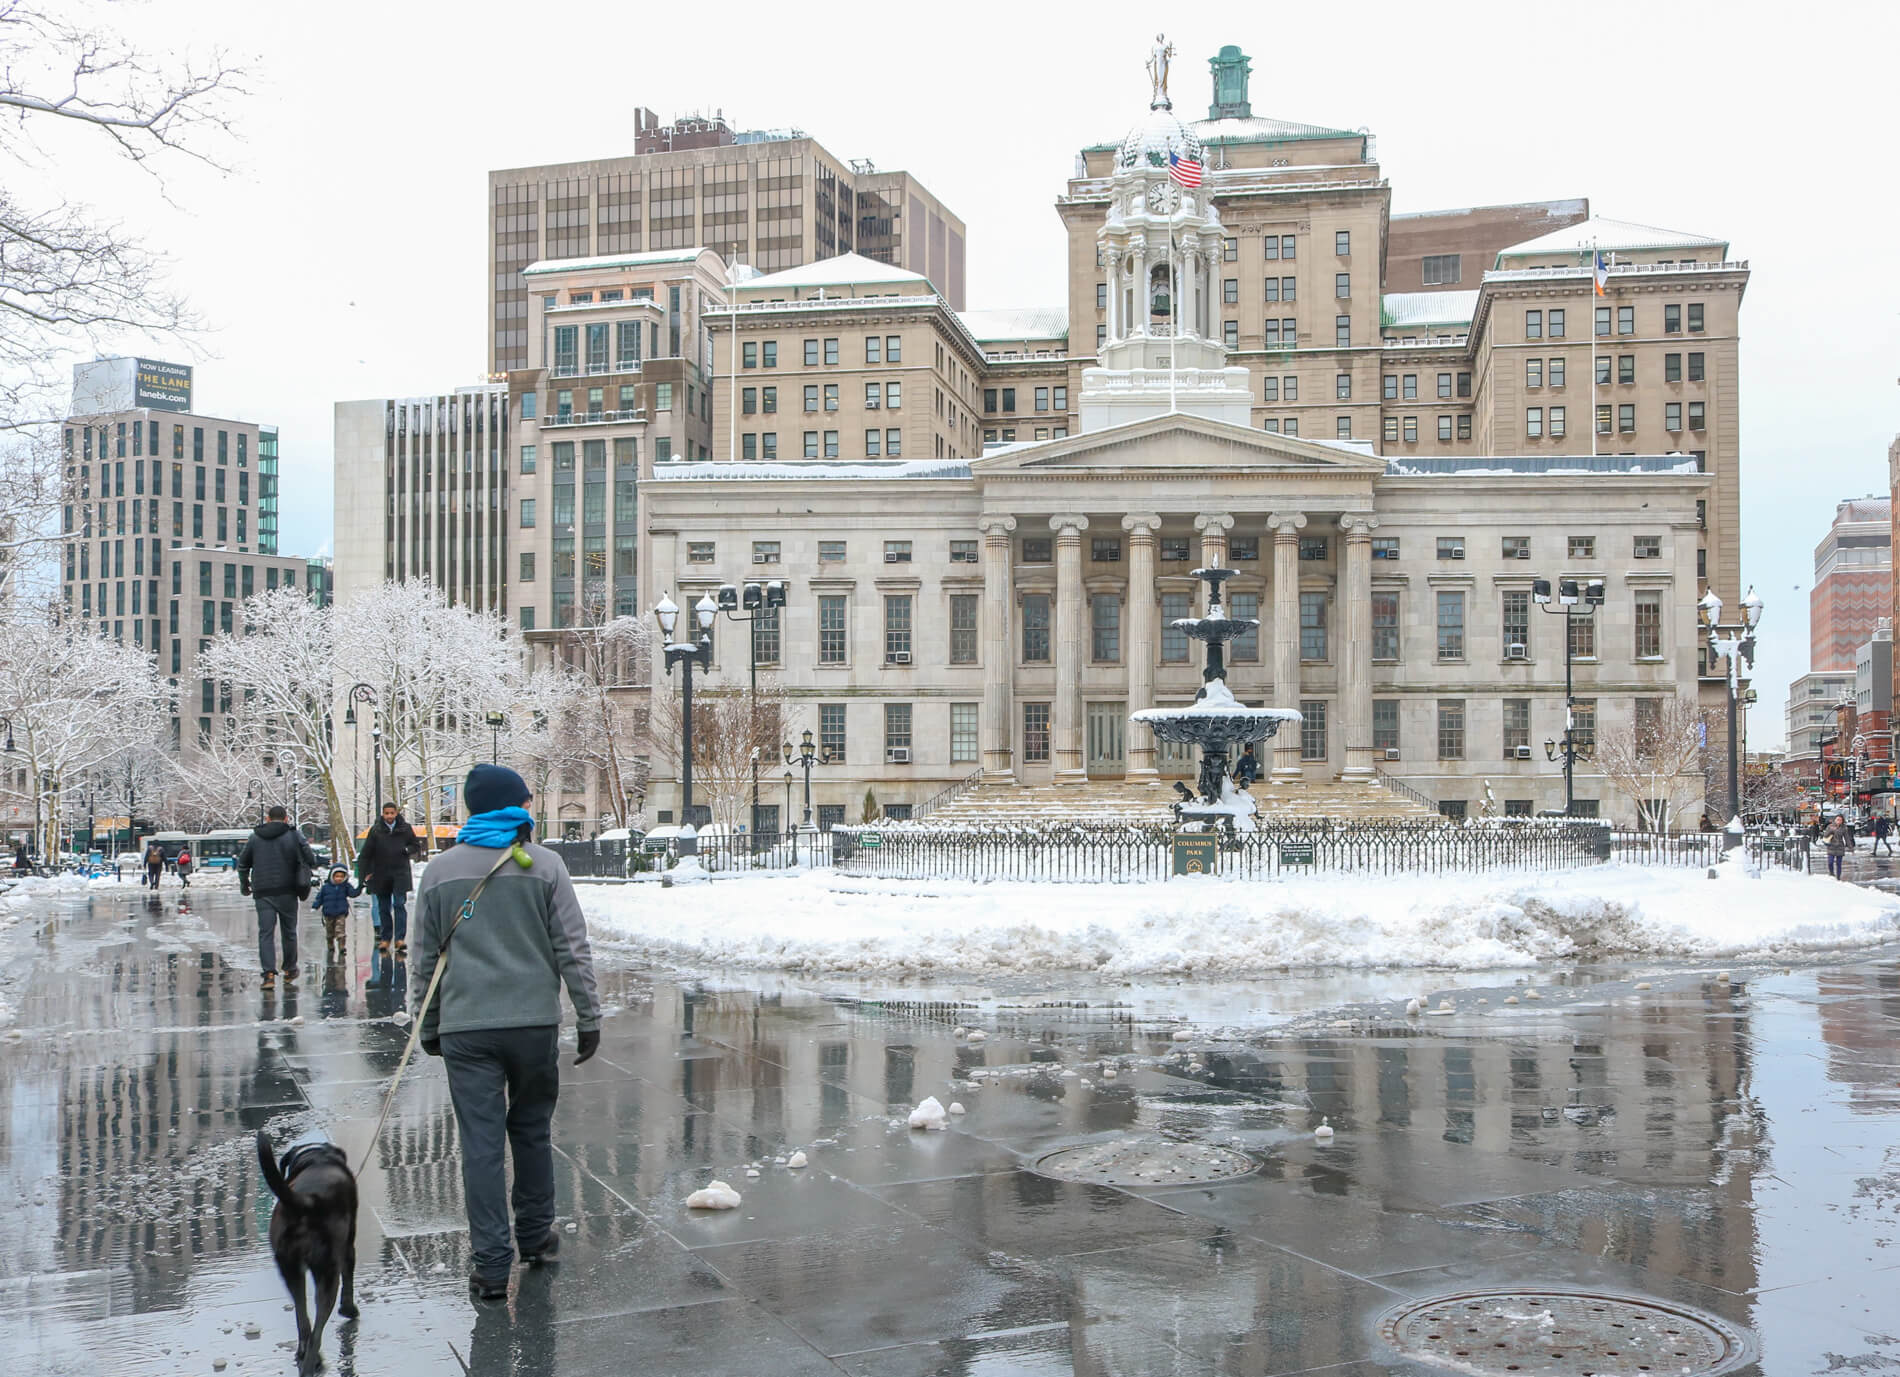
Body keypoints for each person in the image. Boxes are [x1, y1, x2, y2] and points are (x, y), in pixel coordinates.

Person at [413, 764, 599, 1301]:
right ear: (515, 805)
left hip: (466, 1030)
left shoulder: (440, 871)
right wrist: (589, 1016)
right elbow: (572, 947)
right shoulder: (546, 865)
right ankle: (537, 1238)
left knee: (481, 1146)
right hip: (534, 1025)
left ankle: (492, 1266)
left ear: (473, 808)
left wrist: (429, 1025)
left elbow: (425, 959)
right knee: (533, 1132)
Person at [239, 805, 319, 990]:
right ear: (286, 819)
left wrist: (245, 885)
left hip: (263, 891)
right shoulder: (294, 835)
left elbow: (243, 864)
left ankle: (268, 974)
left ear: (267, 819)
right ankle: (290, 969)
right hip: (288, 890)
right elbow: (311, 858)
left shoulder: (255, 837)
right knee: (289, 932)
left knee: (265, 933)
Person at [356, 802, 423, 956]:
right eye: (386, 813)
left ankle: (400, 939)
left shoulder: (405, 829)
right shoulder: (376, 830)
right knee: (383, 907)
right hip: (381, 874)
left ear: (396, 813)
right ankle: (386, 938)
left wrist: (407, 850)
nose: (389, 816)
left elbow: (415, 845)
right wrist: (364, 874)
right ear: (383, 814)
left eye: (392, 813)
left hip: (400, 874)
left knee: (399, 904)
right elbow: (366, 853)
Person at [311, 866, 361, 952]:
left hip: (341, 913)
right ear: (332, 876)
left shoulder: (346, 886)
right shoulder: (326, 887)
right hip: (328, 913)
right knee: (330, 932)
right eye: (337, 876)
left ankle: (342, 946)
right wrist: (315, 906)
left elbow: (353, 893)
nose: (339, 879)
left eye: (341, 876)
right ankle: (330, 945)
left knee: (340, 930)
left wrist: (360, 887)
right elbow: (319, 898)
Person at [1823, 814, 1849, 881]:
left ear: (1842, 821)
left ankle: (1838, 878)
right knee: (1830, 862)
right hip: (1831, 846)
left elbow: (1846, 838)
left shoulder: (1844, 828)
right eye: (1837, 819)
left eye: (1840, 820)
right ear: (1835, 820)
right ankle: (1831, 873)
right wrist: (1831, 831)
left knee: (1839, 864)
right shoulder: (1830, 826)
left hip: (1840, 847)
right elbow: (1825, 835)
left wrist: (1850, 846)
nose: (1838, 821)